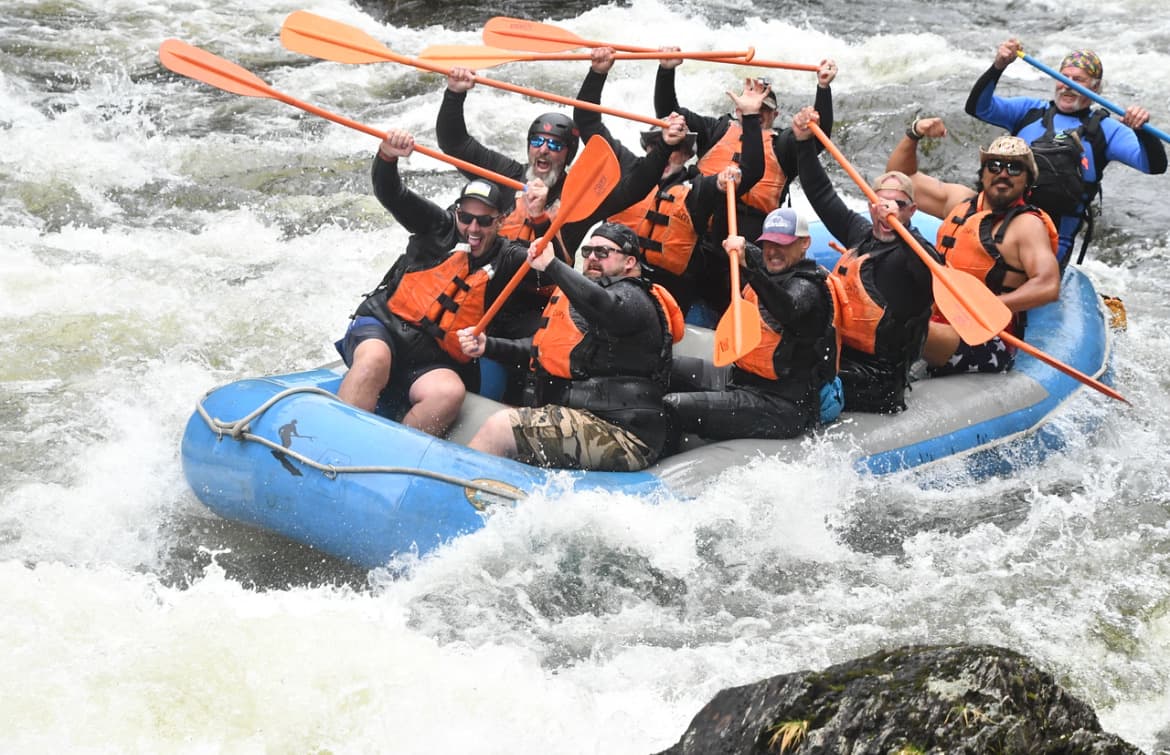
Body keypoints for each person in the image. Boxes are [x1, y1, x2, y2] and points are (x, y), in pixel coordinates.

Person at [335, 130, 536, 436]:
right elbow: (390, 193)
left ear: (500, 221)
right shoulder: (436, 225)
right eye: (466, 217)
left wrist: (542, 217)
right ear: (457, 212)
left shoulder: (508, 256)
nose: (473, 228)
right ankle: (339, 441)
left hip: (433, 359)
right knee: (373, 361)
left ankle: (390, 459)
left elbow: (549, 269)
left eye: (484, 221)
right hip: (385, 328)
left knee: (449, 393)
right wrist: (387, 156)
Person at [456, 223, 685, 472]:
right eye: (587, 252)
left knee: (500, 428)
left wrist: (552, 266)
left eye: (603, 252)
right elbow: (541, 352)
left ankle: (453, 499)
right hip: (580, 417)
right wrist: (487, 345)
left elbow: (605, 307)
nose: (593, 258)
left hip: (623, 433)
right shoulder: (587, 302)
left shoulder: (635, 299)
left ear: (630, 262)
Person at [573, 47, 767, 315]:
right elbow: (587, 120)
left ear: (688, 154)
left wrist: (751, 119)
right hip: (608, 280)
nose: (665, 152)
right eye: (657, 144)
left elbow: (753, 171)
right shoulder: (625, 166)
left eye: (675, 148)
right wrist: (597, 73)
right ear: (647, 147)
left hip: (664, 298)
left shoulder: (698, 189)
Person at [965, 40, 1167, 266]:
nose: (1068, 85)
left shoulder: (1106, 130)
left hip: (1052, 244)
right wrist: (998, 66)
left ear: (1095, 88)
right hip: (1000, 224)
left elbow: (1154, 166)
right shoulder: (1029, 111)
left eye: (1078, 80)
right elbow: (977, 107)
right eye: (1063, 78)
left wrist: (1143, 132)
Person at [792, 107, 938, 414]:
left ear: (911, 211)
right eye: (880, 203)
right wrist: (803, 143)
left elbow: (930, 271)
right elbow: (821, 193)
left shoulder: (912, 257)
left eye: (897, 205)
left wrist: (905, 233)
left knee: (794, 373)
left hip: (881, 381)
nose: (887, 211)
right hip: (844, 358)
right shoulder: (860, 233)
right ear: (870, 206)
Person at [886, 120, 1061, 375]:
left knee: (902, 326)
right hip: (938, 317)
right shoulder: (958, 202)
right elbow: (901, 180)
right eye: (995, 165)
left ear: (1027, 180)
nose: (1003, 173)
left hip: (988, 336)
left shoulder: (1027, 225)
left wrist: (990, 306)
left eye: (1014, 168)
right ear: (984, 172)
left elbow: (1048, 285)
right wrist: (914, 133)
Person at [663, 209, 838, 441]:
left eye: (783, 244)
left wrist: (751, 269)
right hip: (743, 379)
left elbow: (787, 308)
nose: (773, 251)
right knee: (662, 367)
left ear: (804, 243)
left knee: (674, 406)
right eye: (768, 243)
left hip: (782, 405)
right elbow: (745, 253)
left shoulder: (809, 289)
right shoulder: (769, 267)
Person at [654, 50, 839, 243]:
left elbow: (819, 137)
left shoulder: (783, 146)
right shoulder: (716, 130)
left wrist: (823, 87)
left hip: (748, 236)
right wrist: (666, 71)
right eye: (751, 106)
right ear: (738, 108)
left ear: (775, 116)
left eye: (764, 108)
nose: (757, 112)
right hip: (698, 221)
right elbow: (668, 114)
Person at [435, 67, 580, 261]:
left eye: (554, 144)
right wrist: (454, 93)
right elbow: (454, 144)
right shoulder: (509, 175)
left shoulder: (576, 199)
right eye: (537, 142)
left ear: (568, 154)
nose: (543, 150)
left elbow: (562, 265)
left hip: (539, 284)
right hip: (494, 275)